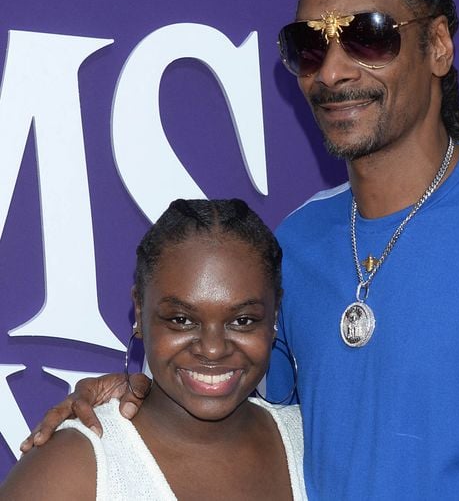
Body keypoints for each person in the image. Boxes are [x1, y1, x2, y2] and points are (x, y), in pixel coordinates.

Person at [19, 0, 459, 500]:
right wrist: (131, 404)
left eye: (368, 36)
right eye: (309, 46)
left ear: (437, 45)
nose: (332, 71)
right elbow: (236, 400)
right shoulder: (299, 239)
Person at [3, 199, 306, 500]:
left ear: (275, 313)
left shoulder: (312, 444)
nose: (213, 349)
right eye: (181, 319)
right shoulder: (73, 469)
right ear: (139, 311)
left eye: (242, 320)